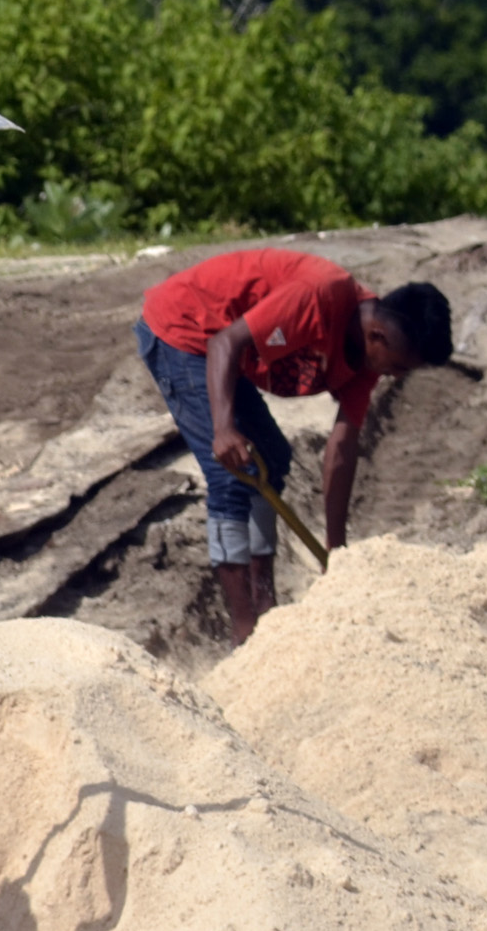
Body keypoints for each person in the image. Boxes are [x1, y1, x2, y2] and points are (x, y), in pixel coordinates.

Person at [136, 249, 453, 643]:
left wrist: (337, 555)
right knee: (230, 475)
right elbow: (223, 344)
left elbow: (341, 450)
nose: (396, 375)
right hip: (185, 330)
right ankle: (245, 630)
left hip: (223, 350)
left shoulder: (369, 359)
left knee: (272, 458)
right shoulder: (320, 296)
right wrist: (223, 429)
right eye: (401, 366)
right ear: (378, 336)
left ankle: (266, 604)